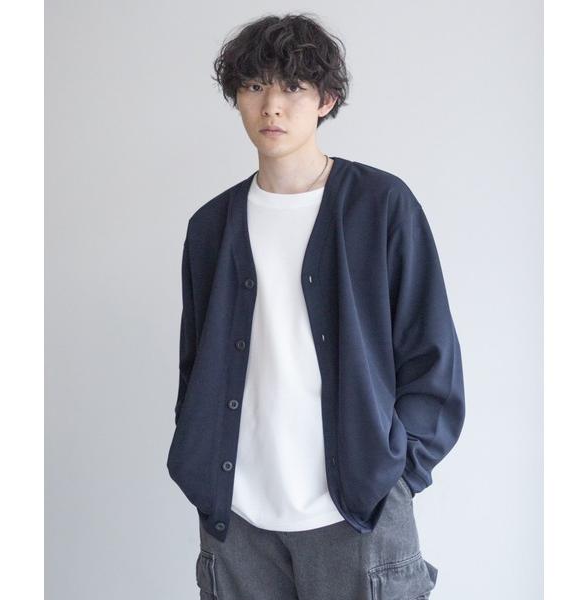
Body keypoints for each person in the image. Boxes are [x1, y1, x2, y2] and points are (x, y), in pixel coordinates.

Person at [167, 12, 465, 600]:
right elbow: (194, 368)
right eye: (254, 86)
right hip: (237, 521)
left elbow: (431, 355)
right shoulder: (210, 228)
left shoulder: (381, 205)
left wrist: (394, 476)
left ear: (326, 99)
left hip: (357, 514)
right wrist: (200, 465)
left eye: (293, 87)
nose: (272, 106)